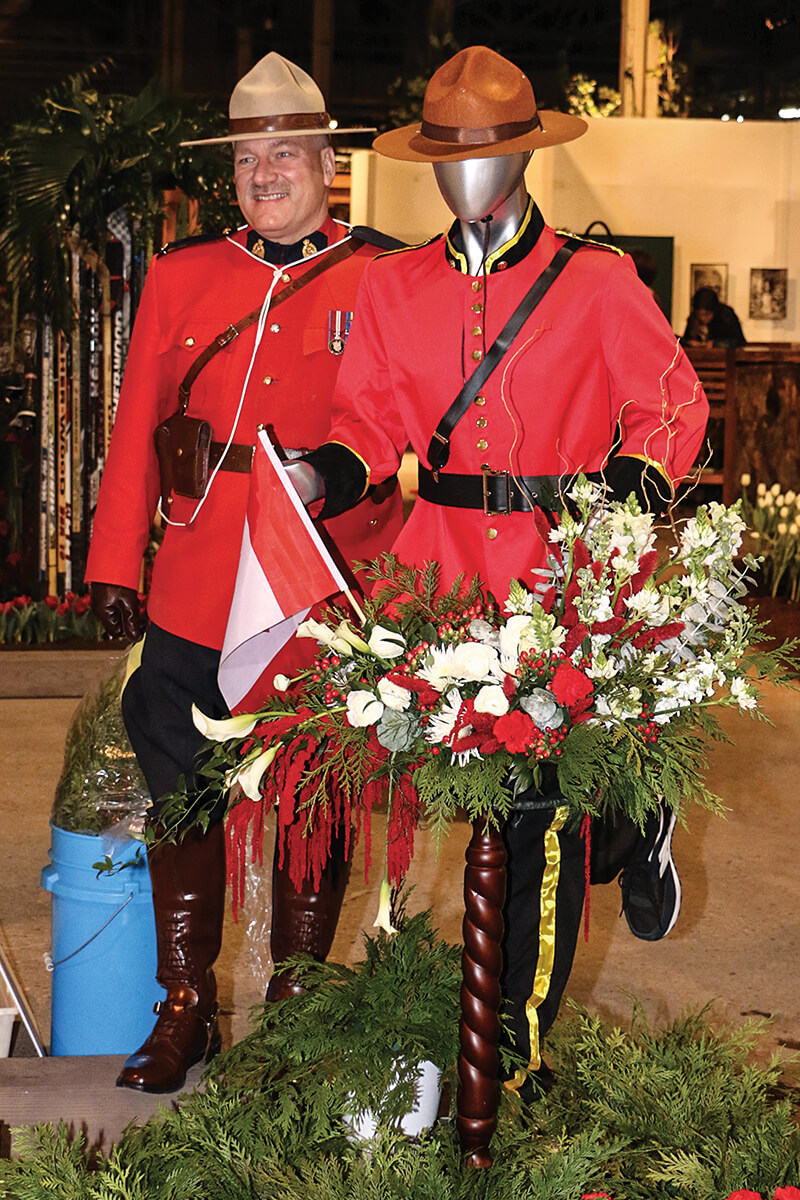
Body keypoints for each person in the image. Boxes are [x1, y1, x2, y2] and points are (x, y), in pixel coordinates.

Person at [289, 45, 709, 1099]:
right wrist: (320, 472)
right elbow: (369, 417)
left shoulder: (597, 282)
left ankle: (512, 1054)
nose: (458, 173)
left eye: (477, 154)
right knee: (471, 808)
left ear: (519, 157)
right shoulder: (393, 287)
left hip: (552, 584)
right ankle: (626, 816)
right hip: (433, 583)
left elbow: (667, 403)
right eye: (442, 156)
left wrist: (625, 497)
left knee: (535, 826)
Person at [85, 52, 405, 1094]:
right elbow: (137, 424)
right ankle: (186, 1007)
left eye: (285, 153)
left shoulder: (383, 276)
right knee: (179, 781)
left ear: (326, 161)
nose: (264, 173)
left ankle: (298, 1008)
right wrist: (111, 556)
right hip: (196, 573)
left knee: (312, 787)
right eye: (247, 157)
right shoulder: (185, 273)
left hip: (320, 581)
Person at [682, 285, 746, 347]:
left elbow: (739, 342)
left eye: (706, 314)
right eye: (699, 314)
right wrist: (688, 343)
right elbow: (685, 339)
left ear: (714, 311)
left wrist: (716, 344)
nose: (702, 318)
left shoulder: (726, 317)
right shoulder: (693, 319)